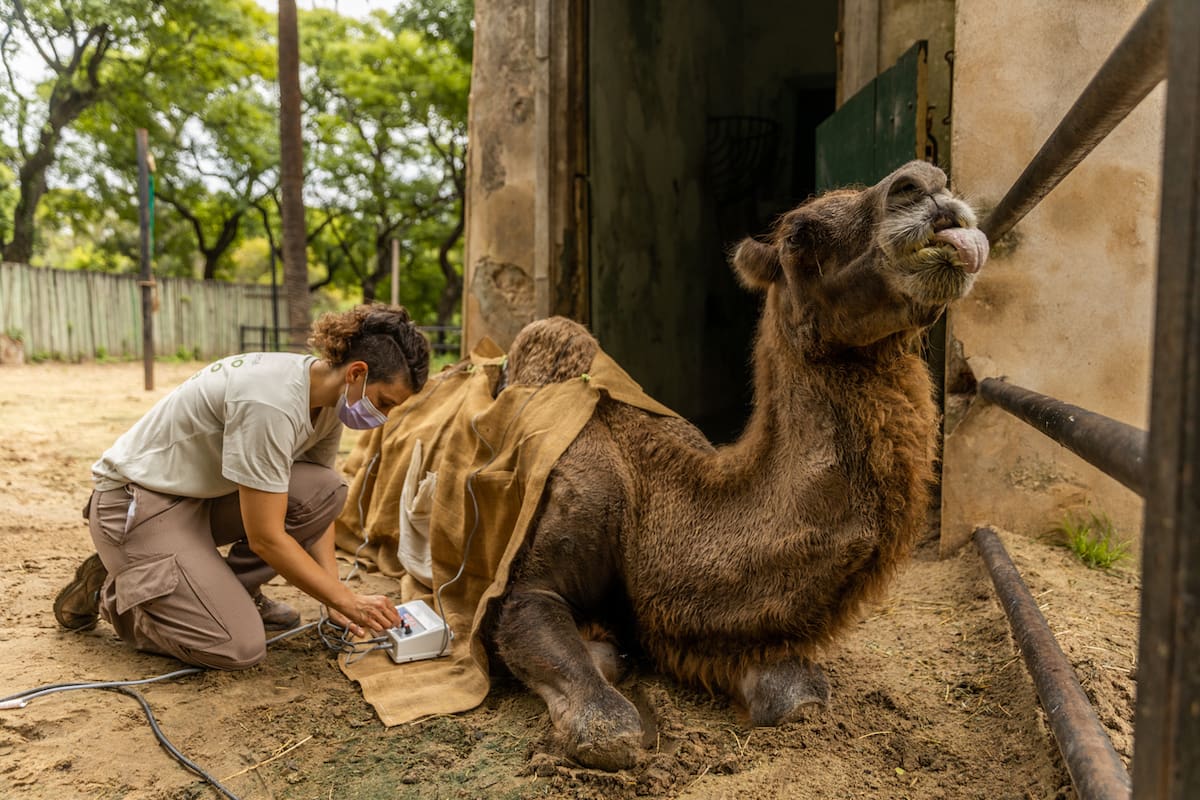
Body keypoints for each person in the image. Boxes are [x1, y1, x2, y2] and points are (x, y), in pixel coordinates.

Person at [52, 303, 430, 670]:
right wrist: (346, 599)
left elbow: (316, 504)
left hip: (199, 498)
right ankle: (117, 594)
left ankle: (225, 592)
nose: (383, 417)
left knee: (327, 489)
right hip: (137, 506)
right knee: (236, 647)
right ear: (357, 373)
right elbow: (266, 537)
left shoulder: (326, 400)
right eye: (384, 402)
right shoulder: (271, 404)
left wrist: (333, 596)